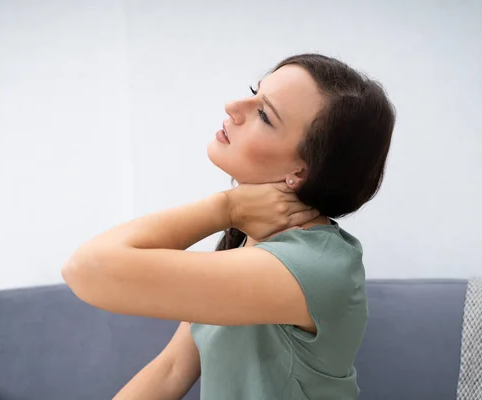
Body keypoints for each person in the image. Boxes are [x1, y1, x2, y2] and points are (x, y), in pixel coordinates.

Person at [61, 53, 395, 399]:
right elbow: (171, 369)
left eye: (264, 115)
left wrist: (227, 206)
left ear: (300, 171)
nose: (233, 106)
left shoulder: (314, 267)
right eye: (253, 91)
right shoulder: (249, 245)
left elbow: (87, 269)